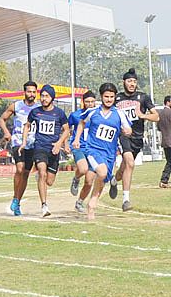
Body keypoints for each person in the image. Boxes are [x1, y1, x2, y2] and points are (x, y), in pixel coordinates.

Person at [73, 83, 132, 220]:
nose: (109, 99)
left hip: (110, 154)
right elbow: (81, 122)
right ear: (101, 97)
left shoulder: (119, 114)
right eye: (106, 96)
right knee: (102, 172)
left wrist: (127, 131)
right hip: (93, 149)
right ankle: (90, 205)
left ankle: (92, 204)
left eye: (112, 97)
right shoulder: (93, 112)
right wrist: (76, 139)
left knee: (102, 179)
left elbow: (128, 129)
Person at [111, 68, 159, 211]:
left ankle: (114, 181)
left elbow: (156, 116)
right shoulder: (117, 98)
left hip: (137, 138)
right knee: (130, 163)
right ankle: (126, 200)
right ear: (124, 82)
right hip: (123, 135)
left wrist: (143, 115)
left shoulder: (143, 97)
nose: (132, 84)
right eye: (129, 81)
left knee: (124, 168)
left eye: (134, 81)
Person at [19, 85, 69, 217]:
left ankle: (42, 178)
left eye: (47, 96)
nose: (43, 99)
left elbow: (67, 130)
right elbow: (27, 126)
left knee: (50, 181)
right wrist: (24, 142)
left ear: (52, 97)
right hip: (40, 147)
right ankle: (44, 206)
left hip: (53, 149)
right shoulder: (35, 112)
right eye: (42, 96)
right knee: (42, 172)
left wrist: (60, 143)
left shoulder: (59, 113)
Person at [0, 81, 40, 216]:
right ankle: (16, 198)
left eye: (34, 92)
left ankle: (17, 201)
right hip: (17, 142)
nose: (31, 94)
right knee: (20, 169)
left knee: (26, 173)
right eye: (29, 91)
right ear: (24, 92)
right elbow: (2, 119)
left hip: (33, 143)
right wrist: (6, 132)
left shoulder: (40, 108)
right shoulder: (16, 106)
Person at [68, 91, 97, 211]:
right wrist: (67, 143)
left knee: (89, 181)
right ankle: (76, 178)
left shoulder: (98, 115)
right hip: (79, 147)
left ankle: (79, 202)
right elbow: (67, 128)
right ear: (83, 102)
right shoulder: (75, 115)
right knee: (83, 169)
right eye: (87, 102)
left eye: (92, 102)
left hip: (93, 150)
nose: (90, 104)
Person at [159, 96, 171, 188]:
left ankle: (164, 180)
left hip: (165, 141)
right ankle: (164, 180)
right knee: (170, 162)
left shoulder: (160, 113)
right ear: (168, 102)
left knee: (169, 161)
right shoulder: (170, 112)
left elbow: (159, 128)